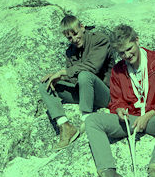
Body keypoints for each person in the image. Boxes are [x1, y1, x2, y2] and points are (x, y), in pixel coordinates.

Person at [85, 24, 155, 177]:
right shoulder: (118, 70)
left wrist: (148, 115)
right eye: (122, 53)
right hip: (130, 119)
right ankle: (109, 176)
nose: (127, 55)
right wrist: (119, 109)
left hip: (154, 117)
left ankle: (154, 173)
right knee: (93, 120)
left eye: (129, 49)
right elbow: (116, 100)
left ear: (137, 41)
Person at [39, 15, 114, 150]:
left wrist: (64, 72)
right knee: (46, 85)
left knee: (85, 75)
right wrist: (58, 78)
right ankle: (65, 127)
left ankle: (87, 118)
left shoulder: (100, 40)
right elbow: (74, 78)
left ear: (82, 27)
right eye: (69, 37)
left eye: (75, 33)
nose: (74, 39)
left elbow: (92, 68)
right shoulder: (70, 51)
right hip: (84, 92)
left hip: (105, 94)